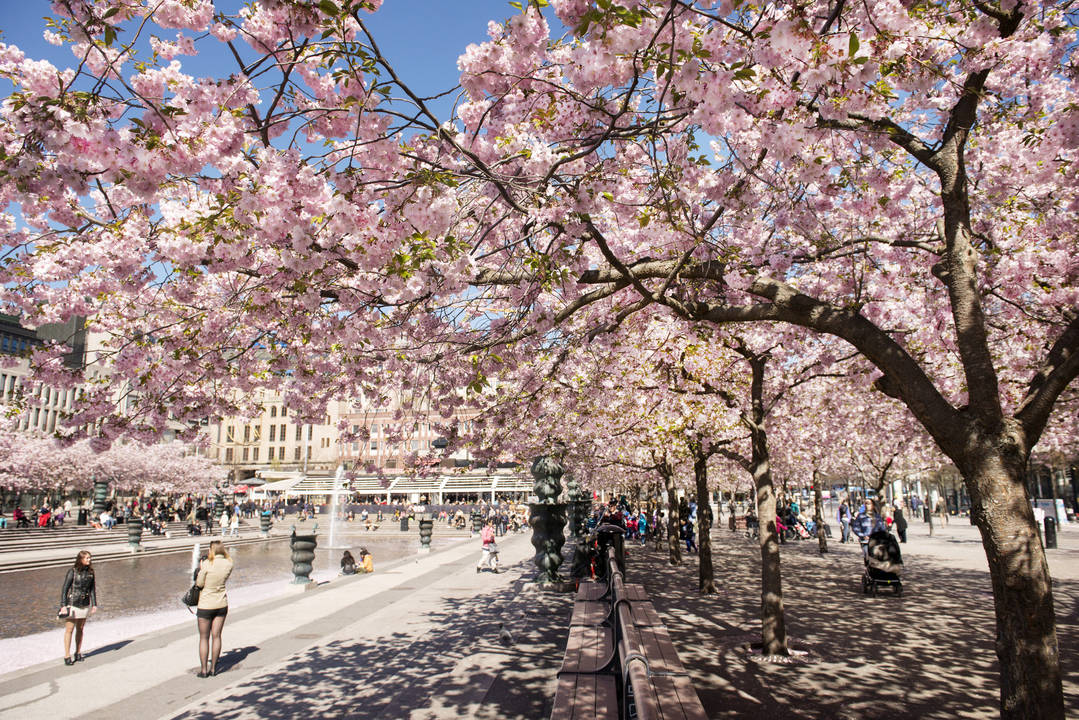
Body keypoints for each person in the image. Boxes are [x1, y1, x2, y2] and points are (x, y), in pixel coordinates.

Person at [195, 540, 233, 677]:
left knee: (204, 638)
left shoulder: (207, 564)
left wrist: (200, 568)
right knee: (217, 636)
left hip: (206, 604)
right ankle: (213, 669)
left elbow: (199, 584)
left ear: (212, 550)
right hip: (221, 603)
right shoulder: (229, 563)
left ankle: (204, 670)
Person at [60, 550, 97, 666]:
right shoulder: (72, 572)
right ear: (80, 559)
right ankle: (67, 655)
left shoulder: (91, 572)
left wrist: (94, 604)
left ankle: (78, 652)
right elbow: (65, 589)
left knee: (80, 629)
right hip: (72, 603)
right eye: (87, 558)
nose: (89, 560)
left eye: (89, 558)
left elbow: (92, 590)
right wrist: (63, 606)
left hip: (84, 604)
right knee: (69, 629)